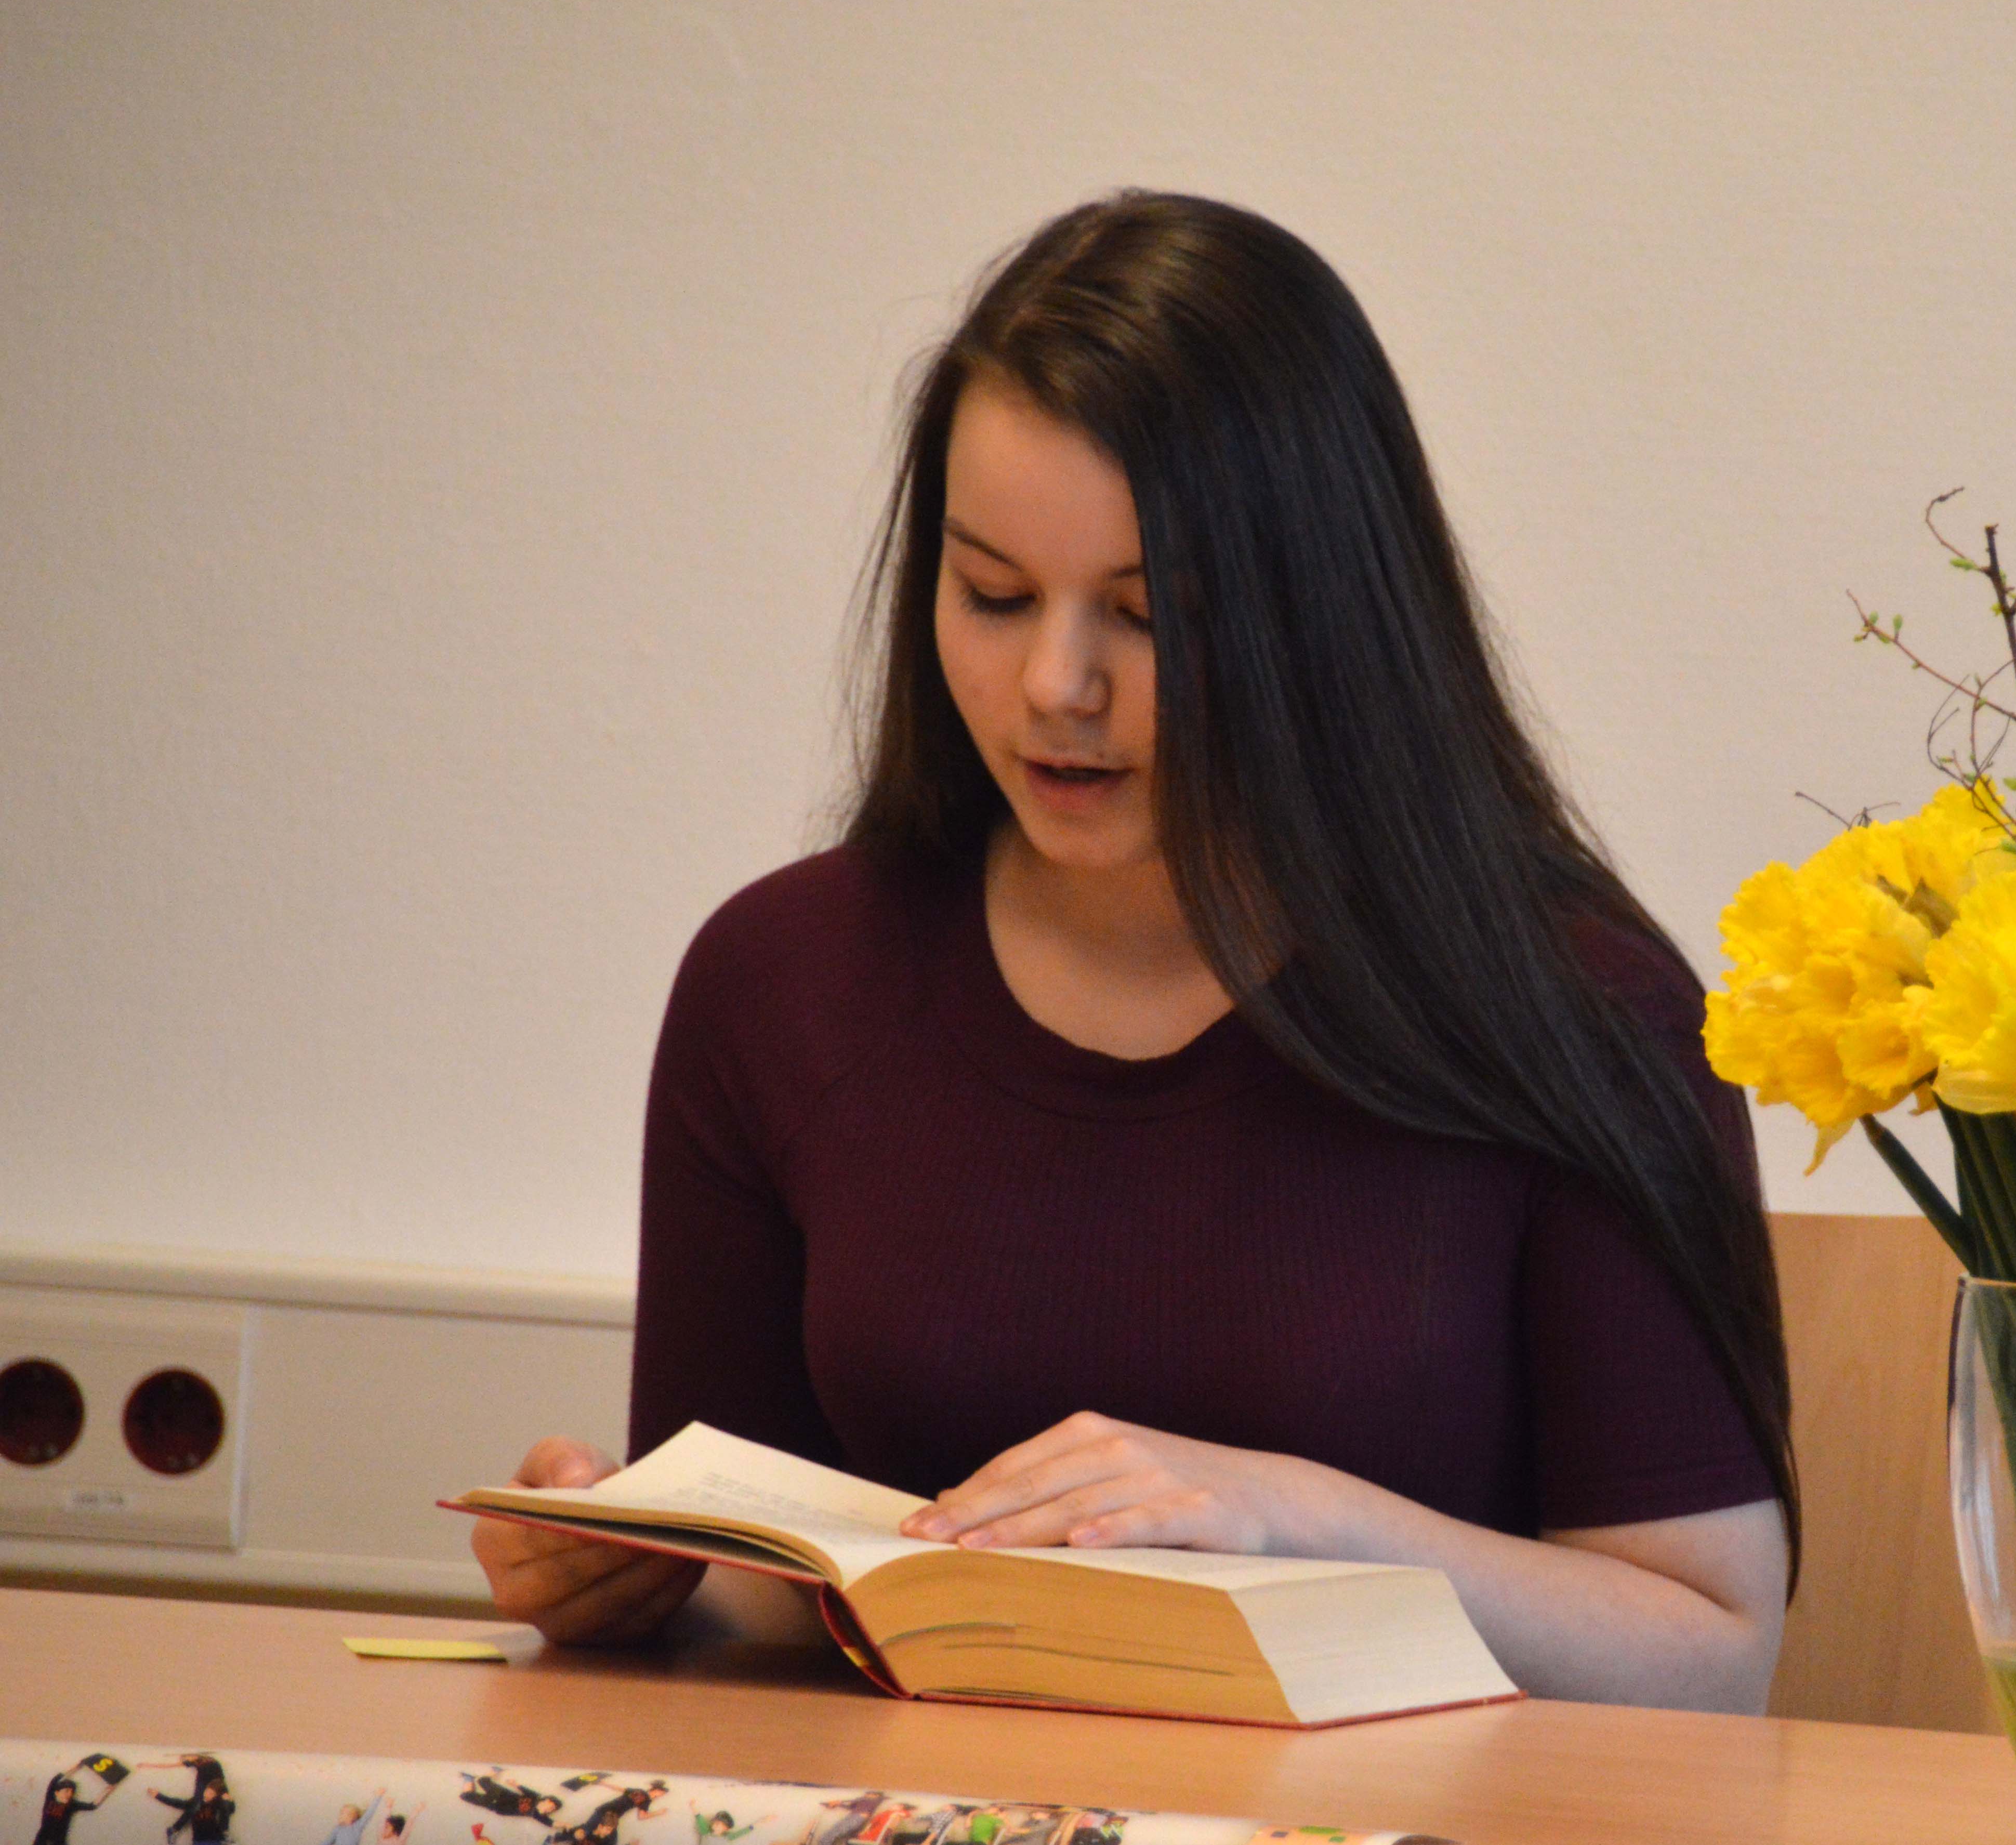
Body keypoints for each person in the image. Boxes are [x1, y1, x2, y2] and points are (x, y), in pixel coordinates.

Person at [468, 190, 1797, 1710]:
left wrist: (1292, 1518)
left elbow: (1714, 1656)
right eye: (992, 596)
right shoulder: (781, 982)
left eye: (1149, 615)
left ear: (1324, 616)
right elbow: (772, 1605)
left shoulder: (1581, 1009)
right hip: (922, 1843)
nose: (1056, 684)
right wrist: (630, 1579)